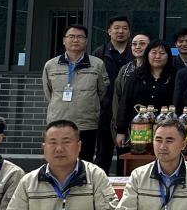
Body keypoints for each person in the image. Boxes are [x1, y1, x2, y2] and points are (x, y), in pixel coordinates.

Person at [42, 24, 110, 164]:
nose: (75, 40)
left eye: (80, 37)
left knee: (85, 162)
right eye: (71, 36)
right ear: (64, 40)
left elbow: (102, 91)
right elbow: (48, 92)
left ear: (86, 41)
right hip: (58, 121)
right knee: (58, 160)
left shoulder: (97, 64)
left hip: (86, 122)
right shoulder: (51, 65)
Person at [116, 39, 176, 144]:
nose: (157, 56)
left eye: (162, 53)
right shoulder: (136, 76)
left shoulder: (175, 76)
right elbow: (125, 103)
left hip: (167, 129)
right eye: (154, 52)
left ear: (168, 56)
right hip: (138, 130)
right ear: (147, 54)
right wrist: (121, 130)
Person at [94, 16, 133, 173]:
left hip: (128, 111)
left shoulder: (135, 52)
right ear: (109, 31)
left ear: (129, 32)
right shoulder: (100, 53)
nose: (120, 31)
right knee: (103, 154)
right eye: (116, 28)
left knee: (127, 155)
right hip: (106, 111)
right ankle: (99, 184)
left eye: (124, 28)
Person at [111, 33, 150, 152]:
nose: (137, 47)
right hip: (126, 126)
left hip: (148, 125)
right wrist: (119, 127)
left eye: (142, 44)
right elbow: (117, 100)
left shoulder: (155, 70)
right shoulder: (125, 70)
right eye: (134, 44)